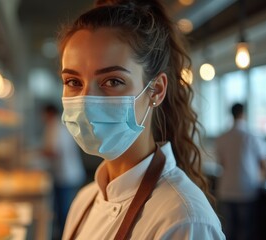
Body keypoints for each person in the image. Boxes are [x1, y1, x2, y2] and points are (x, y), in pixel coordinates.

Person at [57, 0, 225, 239]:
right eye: (73, 82)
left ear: (155, 90)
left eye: (112, 81)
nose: (86, 101)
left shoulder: (184, 219)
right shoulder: (84, 201)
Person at [215, 103, 266, 240]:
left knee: (227, 230)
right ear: (243, 114)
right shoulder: (252, 136)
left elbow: (221, 163)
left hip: (226, 189)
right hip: (246, 189)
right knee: (245, 231)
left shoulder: (222, 137)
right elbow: (264, 165)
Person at [40, 103, 86, 239]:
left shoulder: (56, 128)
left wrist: (38, 153)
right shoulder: (59, 126)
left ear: (49, 113)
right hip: (65, 173)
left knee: (65, 211)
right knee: (62, 209)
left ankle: (66, 236)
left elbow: (54, 152)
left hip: (66, 175)